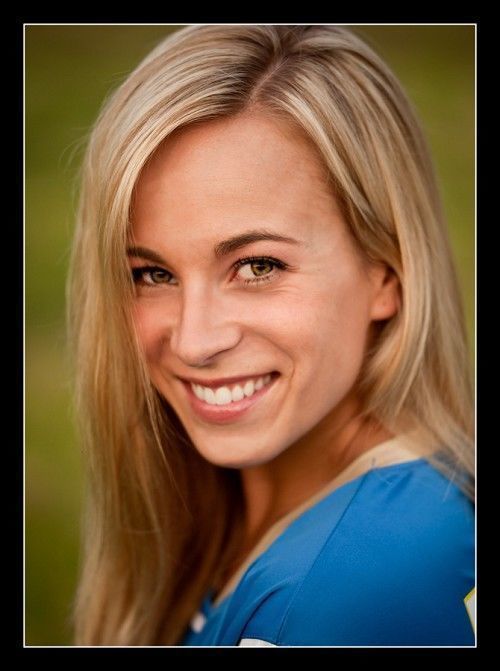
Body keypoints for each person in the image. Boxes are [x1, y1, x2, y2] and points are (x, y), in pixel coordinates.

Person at [68, 25, 475, 646]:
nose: (195, 341)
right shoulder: (247, 517)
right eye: (153, 273)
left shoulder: (334, 594)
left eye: (258, 266)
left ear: (387, 273)